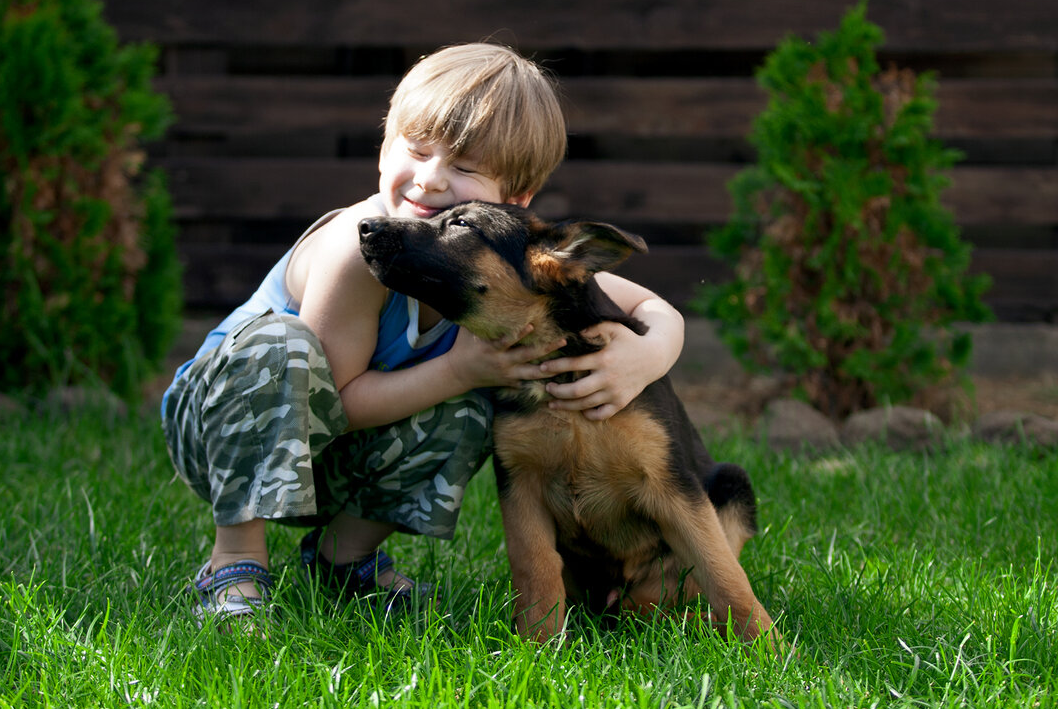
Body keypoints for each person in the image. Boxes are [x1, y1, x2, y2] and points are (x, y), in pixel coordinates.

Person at [161, 42, 685, 624]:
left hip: (335, 461)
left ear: (514, 202)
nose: (430, 181)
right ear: (384, 152)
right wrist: (459, 370)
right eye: (415, 150)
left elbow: (652, 307)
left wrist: (649, 353)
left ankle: (344, 561)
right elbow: (327, 406)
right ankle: (234, 560)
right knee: (280, 347)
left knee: (470, 411)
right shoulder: (356, 253)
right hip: (228, 433)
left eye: (463, 169)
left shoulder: (500, 262)